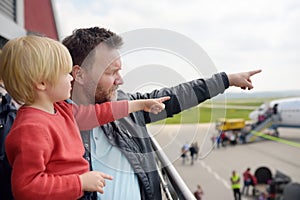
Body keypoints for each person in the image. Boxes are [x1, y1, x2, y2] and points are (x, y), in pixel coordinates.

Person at [62, 26, 261, 200]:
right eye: (111, 72)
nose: (120, 80)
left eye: (119, 71)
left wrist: (226, 80)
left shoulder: (129, 107)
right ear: (79, 74)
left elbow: (174, 97)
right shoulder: (52, 124)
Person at [0, 35, 169, 200]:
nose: (72, 77)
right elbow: (27, 188)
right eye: (66, 73)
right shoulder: (31, 129)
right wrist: (80, 182)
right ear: (42, 83)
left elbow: (99, 113)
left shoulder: (61, 109)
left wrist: (139, 104)